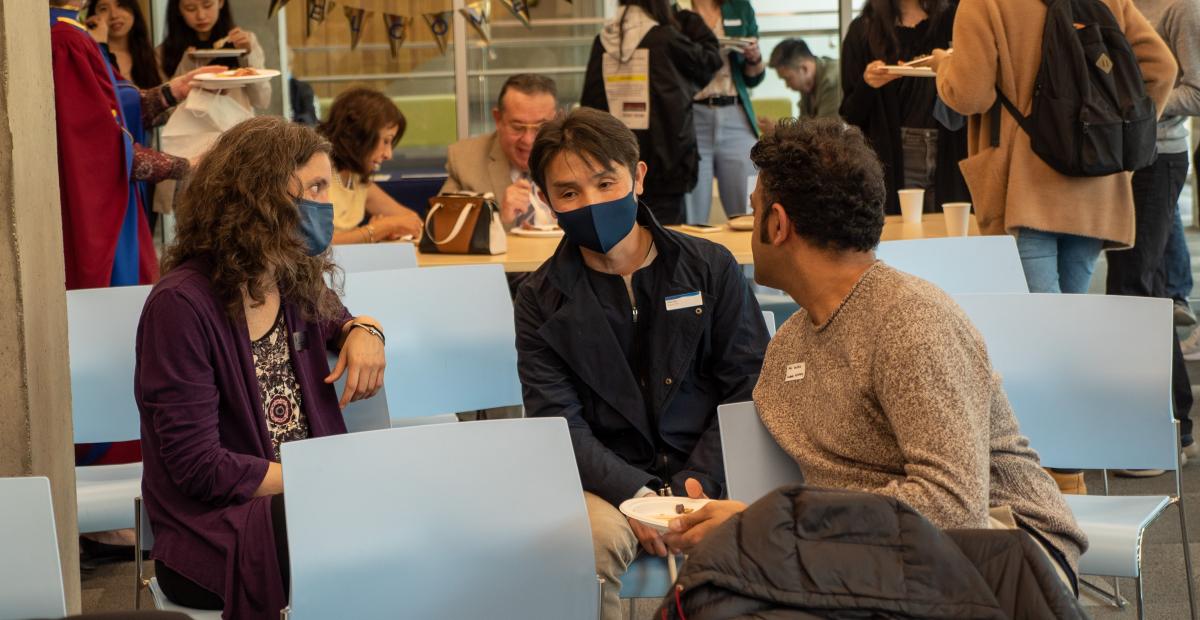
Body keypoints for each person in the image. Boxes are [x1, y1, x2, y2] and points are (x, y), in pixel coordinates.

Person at [660, 118, 1087, 593]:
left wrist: (774, 527)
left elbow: (953, 506)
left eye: (754, 207)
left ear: (777, 224)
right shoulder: (790, 344)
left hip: (1005, 554)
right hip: (877, 556)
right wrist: (715, 496)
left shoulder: (911, 321)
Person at [515, 107, 770, 620]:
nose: (591, 203)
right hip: (606, 481)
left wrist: (695, 485)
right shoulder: (538, 298)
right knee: (588, 544)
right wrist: (635, 495)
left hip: (712, 471)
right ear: (546, 199)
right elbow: (558, 421)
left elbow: (748, 385)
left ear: (638, 177)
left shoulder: (709, 267)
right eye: (569, 193)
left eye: (605, 183)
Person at [136, 116, 387, 618]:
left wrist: (366, 331)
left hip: (306, 502)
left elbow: (340, 319)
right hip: (216, 530)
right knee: (378, 533)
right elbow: (198, 467)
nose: (326, 204)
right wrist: (320, 479)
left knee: (401, 518)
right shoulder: (180, 305)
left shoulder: (290, 275)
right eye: (314, 188)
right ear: (260, 196)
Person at [51, 0, 213, 290]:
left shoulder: (70, 30)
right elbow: (100, 149)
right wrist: (183, 165)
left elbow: (115, 107)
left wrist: (171, 92)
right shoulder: (66, 40)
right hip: (102, 210)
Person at [1104, 0, 1200, 477]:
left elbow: (1196, 93)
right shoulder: (1115, 3)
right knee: (1144, 287)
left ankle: (1161, 433)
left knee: (1133, 288)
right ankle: (1176, 428)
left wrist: (1135, 105)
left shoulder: (1180, 8)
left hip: (1158, 158)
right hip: (1118, 156)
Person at [581, 0, 722, 225]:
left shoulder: (603, 41)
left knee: (619, 235)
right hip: (665, 168)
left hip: (613, 166)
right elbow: (710, 60)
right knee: (665, 238)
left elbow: (589, 105)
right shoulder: (666, 38)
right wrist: (688, 20)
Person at [840, 0, 969, 214]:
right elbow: (850, 114)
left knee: (950, 230)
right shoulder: (863, 30)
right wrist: (867, 84)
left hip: (952, 148)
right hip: (893, 154)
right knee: (902, 229)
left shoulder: (953, 19)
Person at [681, 0, 766, 224]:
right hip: (692, 116)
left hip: (735, 114)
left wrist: (754, 57)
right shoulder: (676, 10)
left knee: (748, 211)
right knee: (692, 213)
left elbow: (754, 77)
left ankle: (747, 250)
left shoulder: (740, 7)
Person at [439, 74, 559, 230]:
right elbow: (442, 229)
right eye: (517, 127)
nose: (528, 140)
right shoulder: (465, 159)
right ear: (498, 119)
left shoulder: (576, 157)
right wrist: (499, 220)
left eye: (540, 127)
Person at [316, 88, 423, 244]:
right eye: (385, 141)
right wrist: (381, 228)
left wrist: (384, 229)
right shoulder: (316, 175)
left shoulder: (356, 178)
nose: (389, 154)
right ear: (359, 136)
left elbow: (412, 221)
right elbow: (319, 245)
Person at [159, 0, 271, 112]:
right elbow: (166, 111)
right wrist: (187, 64)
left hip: (240, 122)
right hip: (190, 123)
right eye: (190, 8)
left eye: (207, 5)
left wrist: (247, 54)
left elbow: (262, 100)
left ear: (220, 2)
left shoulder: (245, 41)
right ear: (178, 9)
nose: (201, 16)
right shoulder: (163, 52)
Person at [764, 38, 842, 125]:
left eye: (788, 78)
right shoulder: (807, 84)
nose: (787, 85)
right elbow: (803, 126)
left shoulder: (832, 79)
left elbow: (827, 130)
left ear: (804, 68)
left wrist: (780, 129)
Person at [92, 0, 162, 90]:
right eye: (103, 9)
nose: (114, 15)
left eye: (120, 5)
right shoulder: (93, 57)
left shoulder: (151, 55)